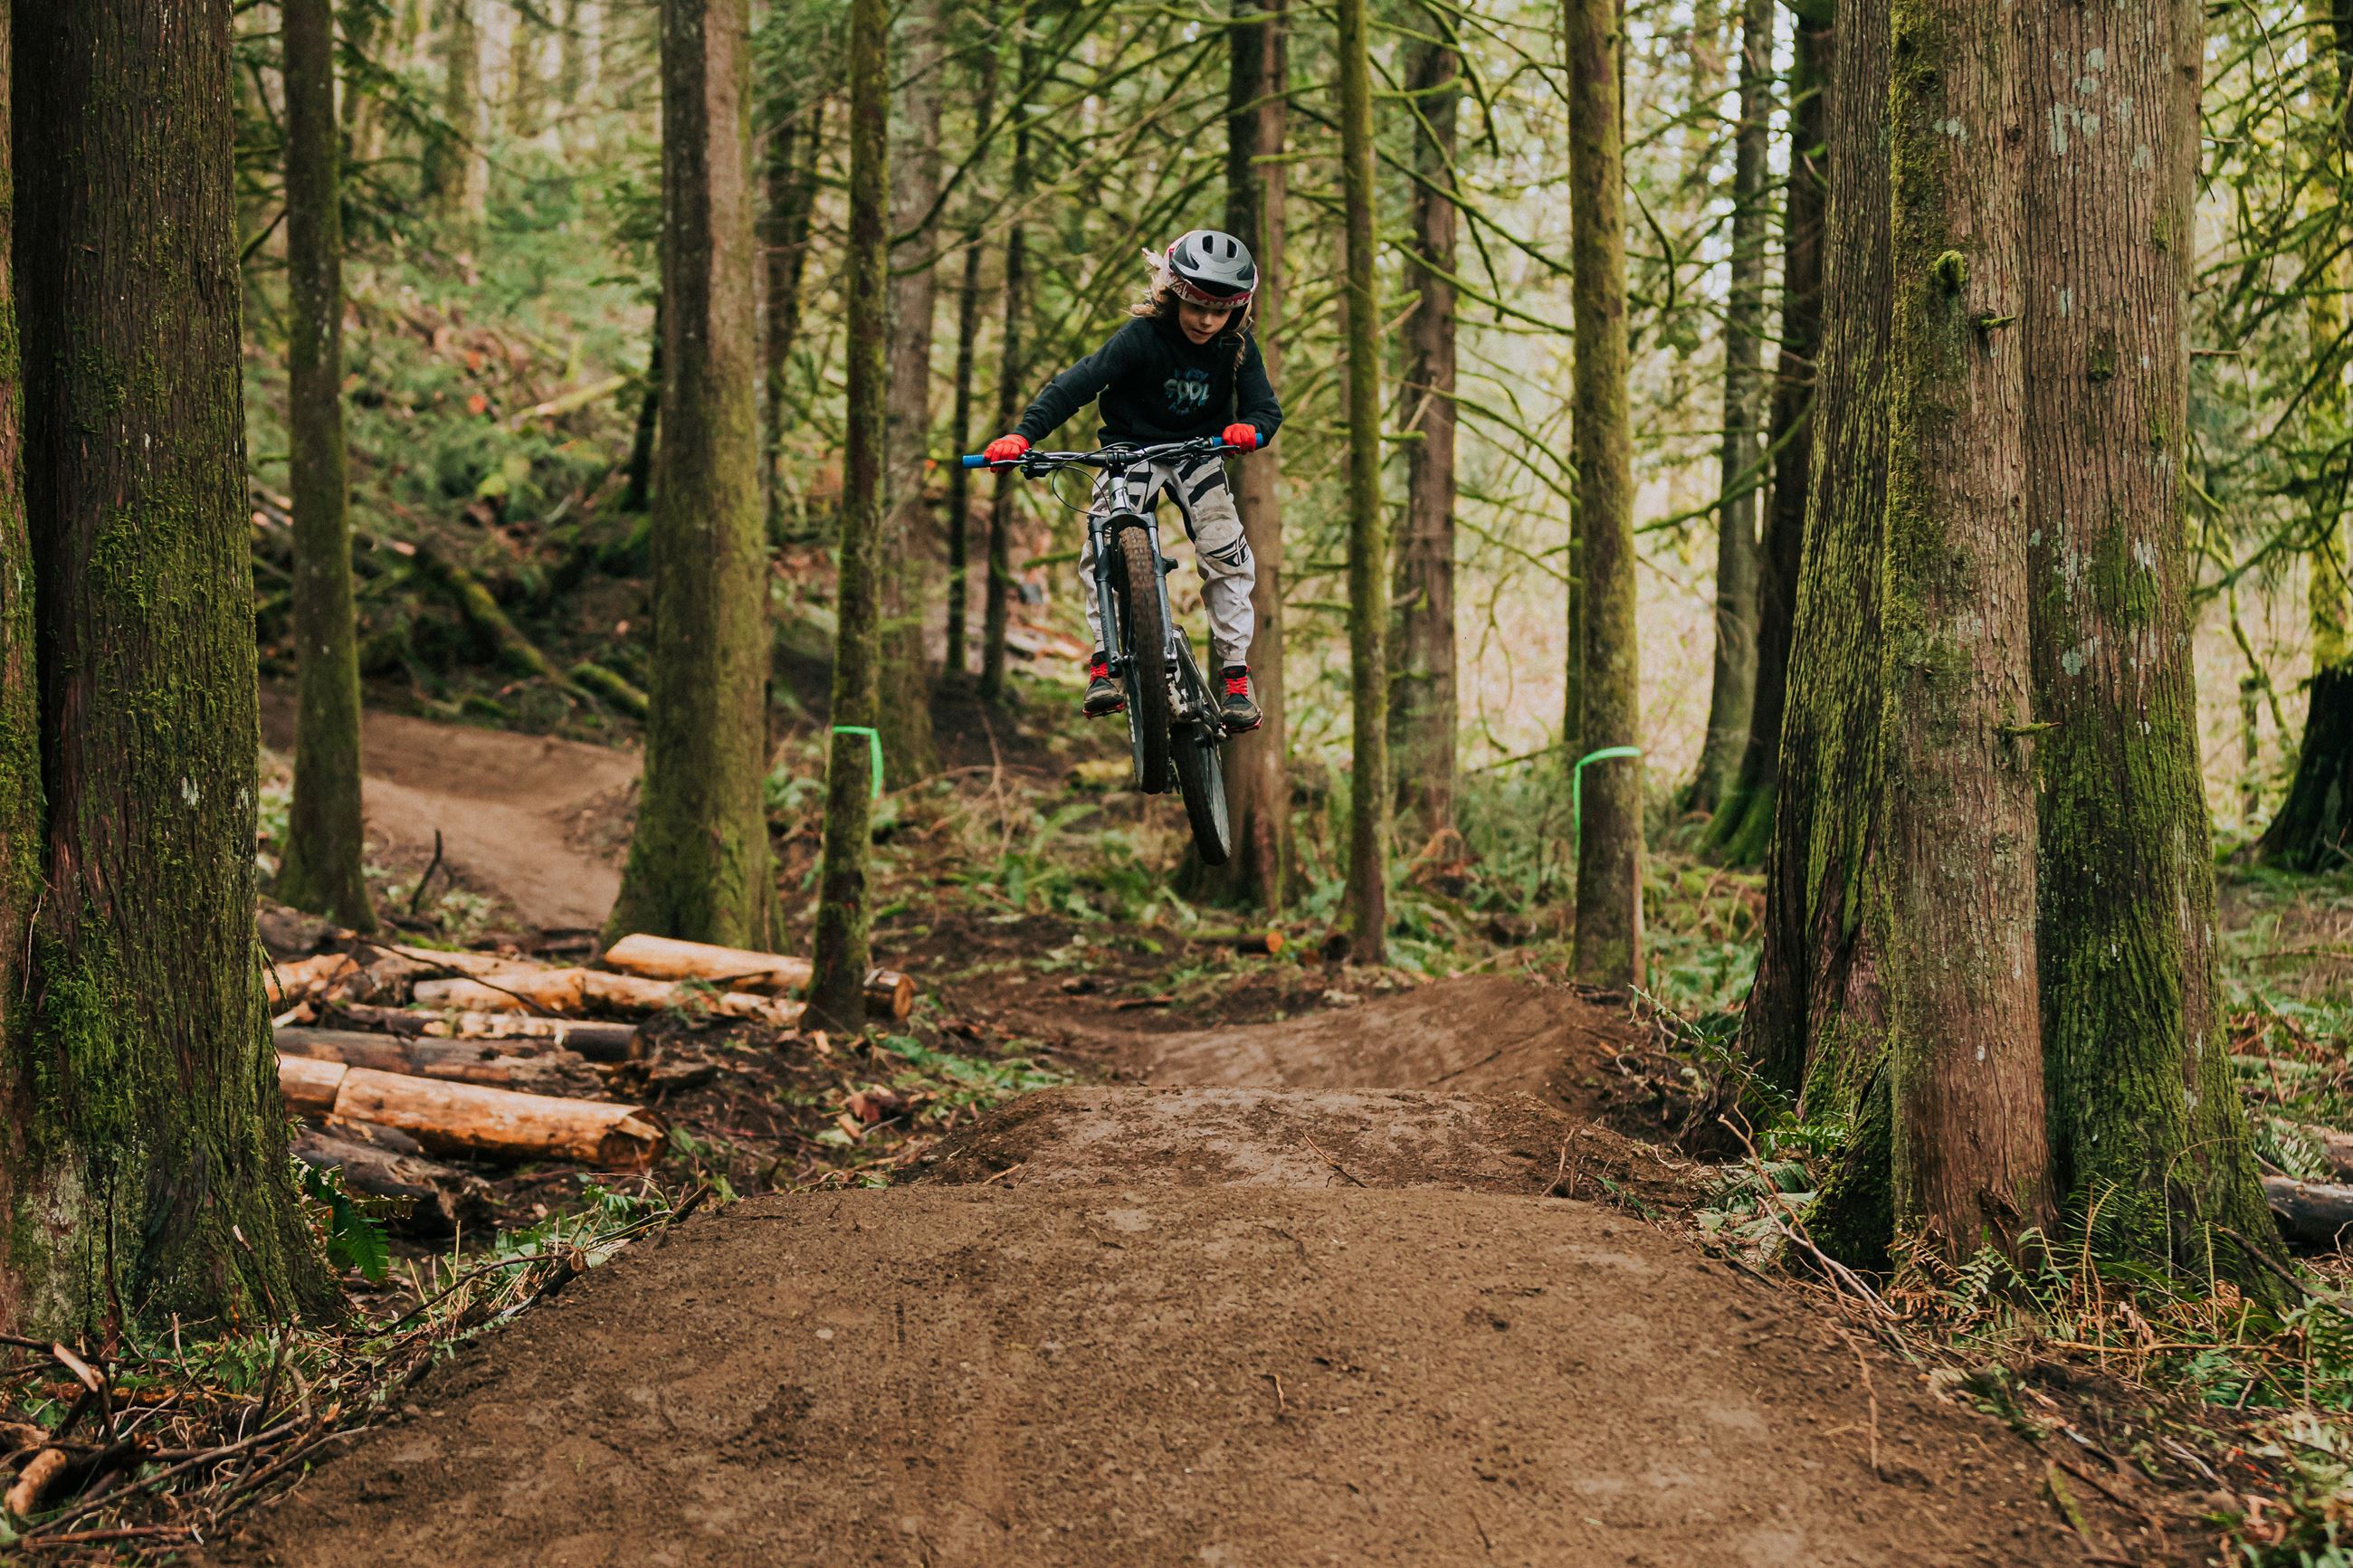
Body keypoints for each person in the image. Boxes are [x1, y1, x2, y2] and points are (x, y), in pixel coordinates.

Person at [982, 229, 1281, 730]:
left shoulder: (1236, 345)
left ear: (1239, 308)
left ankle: (1234, 676)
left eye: (1221, 308)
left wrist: (1251, 429)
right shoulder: (1141, 337)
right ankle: (1104, 666)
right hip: (1128, 450)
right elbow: (1077, 382)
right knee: (1100, 542)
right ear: (1173, 292)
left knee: (1227, 550)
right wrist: (1023, 435)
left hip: (1197, 452)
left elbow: (1264, 407)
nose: (1207, 319)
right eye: (1196, 304)